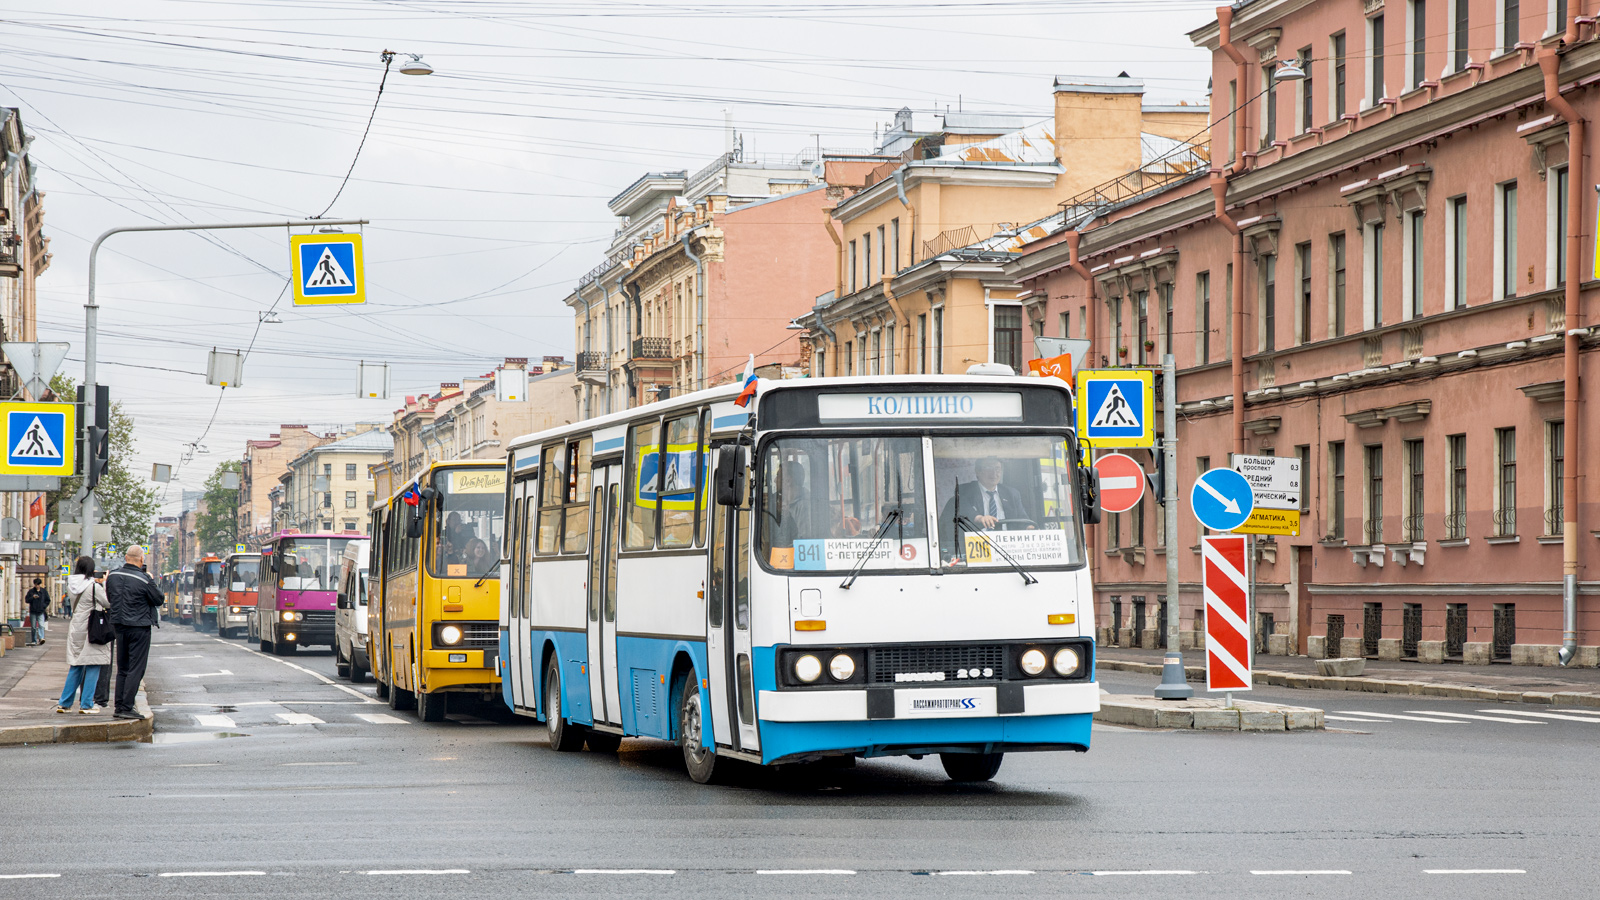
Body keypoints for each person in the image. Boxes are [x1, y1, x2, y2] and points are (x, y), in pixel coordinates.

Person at [106, 546, 163, 720]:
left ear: (125, 557)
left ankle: (119, 706)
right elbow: (158, 599)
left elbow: (110, 598)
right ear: (141, 560)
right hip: (139, 627)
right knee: (136, 668)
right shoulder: (144, 579)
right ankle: (127, 706)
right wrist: (151, 580)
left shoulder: (112, 576)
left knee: (122, 667)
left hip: (119, 625)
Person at [55, 557, 110, 715]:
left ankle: (64, 703)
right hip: (91, 628)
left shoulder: (71, 585)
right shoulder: (94, 587)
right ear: (91, 570)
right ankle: (86, 704)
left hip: (75, 627)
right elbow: (108, 603)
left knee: (76, 665)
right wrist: (104, 582)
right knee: (93, 663)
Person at [25, 578, 49, 646]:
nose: (37, 586)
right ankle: (34, 640)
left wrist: (43, 606)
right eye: (36, 585)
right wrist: (32, 597)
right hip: (33, 611)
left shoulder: (44, 592)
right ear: (34, 584)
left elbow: (48, 600)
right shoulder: (31, 591)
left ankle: (41, 638)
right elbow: (26, 600)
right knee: (33, 627)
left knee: (41, 625)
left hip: (41, 611)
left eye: (38, 585)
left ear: (40, 584)